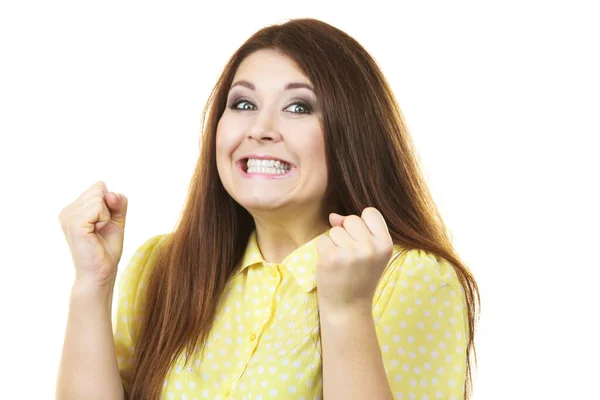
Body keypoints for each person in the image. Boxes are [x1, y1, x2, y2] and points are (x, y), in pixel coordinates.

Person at [56, 18, 479, 400]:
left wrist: (347, 311)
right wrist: (91, 285)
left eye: (298, 107)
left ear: (353, 134)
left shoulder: (412, 278)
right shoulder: (161, 268)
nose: (260, 129)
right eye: (242, 104)